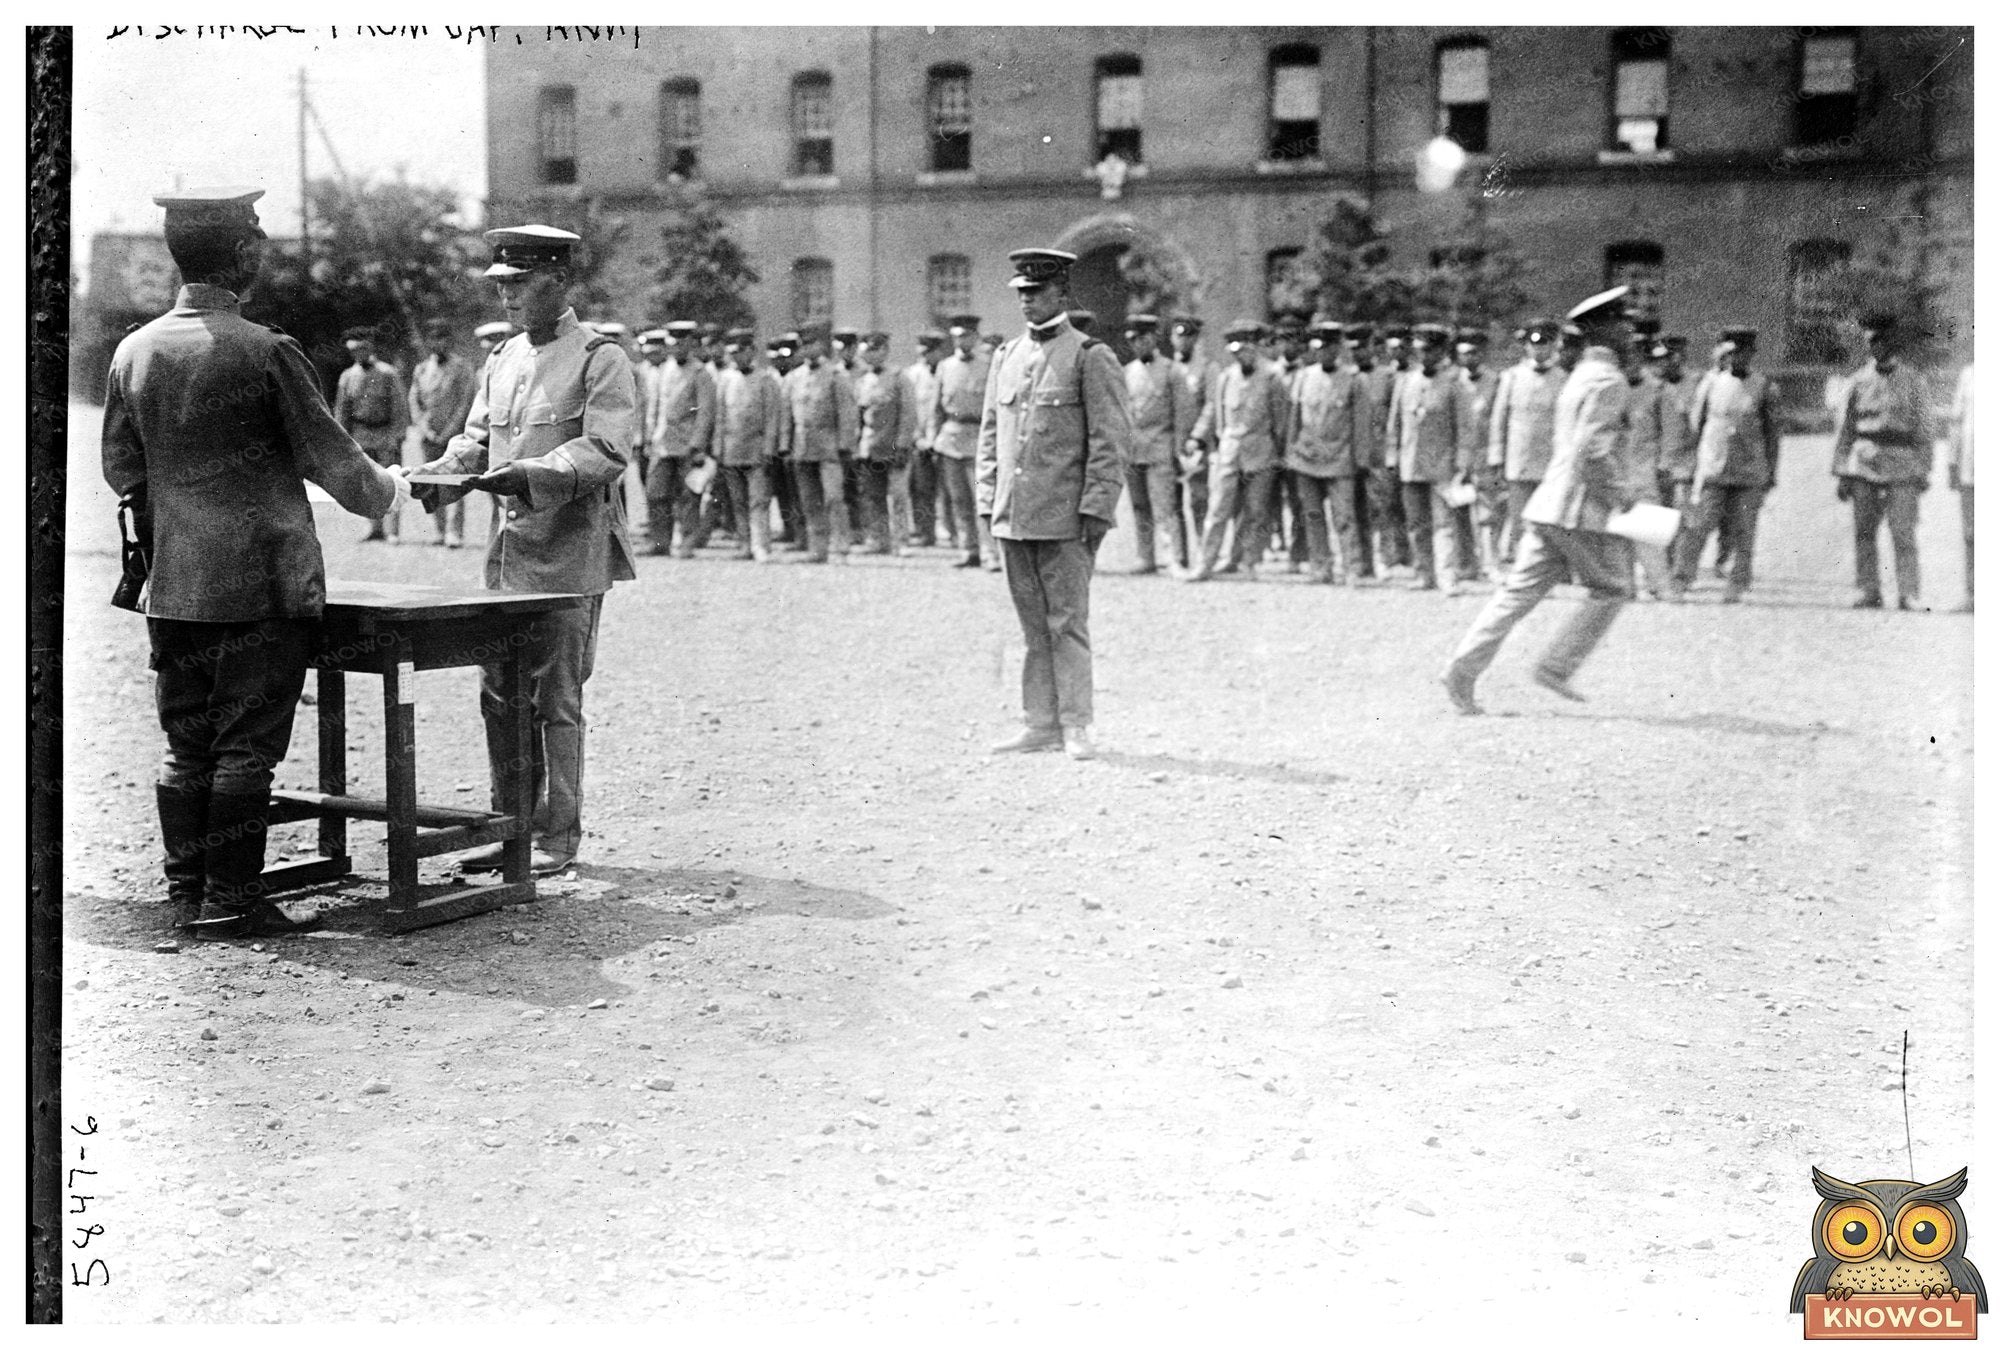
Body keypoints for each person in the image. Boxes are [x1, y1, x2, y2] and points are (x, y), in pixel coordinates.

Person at [102, 186, 408, 937]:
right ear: (243, 254)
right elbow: (347, 477)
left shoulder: (133, 350)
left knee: (186, 746)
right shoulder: (267, 350)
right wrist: (394, 486)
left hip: (173, 586)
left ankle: (187, 893)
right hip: (261, 589)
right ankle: (232, 901)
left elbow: (121, 468)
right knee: (246, 749)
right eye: (260, 245)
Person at [410, 224, 637, 875]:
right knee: (500, 697)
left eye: (519, 283)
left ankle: (557, 837)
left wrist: (534, 475)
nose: (505, 297)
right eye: (500, 285)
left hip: (568, 561)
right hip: (505, 565)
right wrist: (437, 478)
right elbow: (476, 441)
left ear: (559, 281)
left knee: (556, 701)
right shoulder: (503, 359)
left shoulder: (600, 359)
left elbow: (607, 449)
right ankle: (508, 826)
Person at [1439, 286, 1638, 713]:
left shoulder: (1579, 377)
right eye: (1624, 324)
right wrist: (1621, 496)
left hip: (1547, 504)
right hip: (1577, 511)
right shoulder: (1608, 380)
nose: (1629, 333)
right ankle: (1556, 667)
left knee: (1516, 595)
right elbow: (1594, 450)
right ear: (1604, 331)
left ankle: (1462, 669)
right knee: (1614, 589)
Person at [977, 246, 1131, 760]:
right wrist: (987, 501)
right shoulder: (1006, 357)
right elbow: (990, 437)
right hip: (1013, 517)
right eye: (1021, 293)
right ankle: (1038, 722)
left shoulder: (1090, 356)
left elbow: (1110, 442)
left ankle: (1076, 723)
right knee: (1030, 626)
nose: (1027, 302)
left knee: (1067, 623)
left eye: (1037, 292)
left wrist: (1096, 509)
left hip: (1066, 518)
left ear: (1062, 293)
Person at [1670, 327, 1781, 603]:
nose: (1736, 359)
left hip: (1749, 472)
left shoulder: (1764, 386)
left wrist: (1770, 472)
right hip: (1713, 469)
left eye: (1743, 353)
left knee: (1743, 530)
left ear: (1751, 355)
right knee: (1698, 525)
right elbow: (1697, 424)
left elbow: (1772, 435)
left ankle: (1737, 583)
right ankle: (1681, 579)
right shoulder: (1710, 383)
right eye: (1731, 353)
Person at [1831, 313, 1934, 610]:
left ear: (1894, 342)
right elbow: (1844, 429)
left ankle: (1908, 593)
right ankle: (1869, 590)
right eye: (1872, 341)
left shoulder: (1914, 381)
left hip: (1902, 465)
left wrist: (1923, 469)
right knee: (1864, 532)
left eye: (1882, 340)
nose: (1877, 346)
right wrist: (1841, 471)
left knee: (1903, 531)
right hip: (1864, 464)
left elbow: (1925, 429)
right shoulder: (1857, 382)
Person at [1186, 321, 1288, 582]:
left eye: (1245, 350)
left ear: (1255, 348)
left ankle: (1246, 561)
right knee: (1218, 509)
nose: (1240, 356)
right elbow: (1220, 421)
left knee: (1255, 511)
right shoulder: (1226, 377)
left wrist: (1277, 453)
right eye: (1235, 352)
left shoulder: (1272, 377)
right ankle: (1205, 563)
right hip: (1230, 453)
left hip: (1261, 452)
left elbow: (1280, 422)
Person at [1385, 324, 1478, 593]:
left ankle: (1447, 576)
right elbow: (1395, 424)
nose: (1422, 356)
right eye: (1418, 350)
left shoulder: (1454, 384)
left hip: (1442, 465)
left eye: (1427, 350)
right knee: (1416, 523)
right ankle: (1424, 574)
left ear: (1440, 351)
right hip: (1410, 463)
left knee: (1444, 524)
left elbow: (1465, 429)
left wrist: (1461, 465)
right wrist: (1393, 458)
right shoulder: (1406, 381)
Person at [1287, 319, 1368, 583]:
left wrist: (1361, 459)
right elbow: (1294, 419)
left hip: (1340, 459)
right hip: (1306, 458)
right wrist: (1291, 453)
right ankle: (1320, 566)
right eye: (1319, 348)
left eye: (1329, 348)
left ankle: (1352, 568)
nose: (1324, 353)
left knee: (1344, 517)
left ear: (1338, 349)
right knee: (1311, 516)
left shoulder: (1353, 380)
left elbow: (1360, 424)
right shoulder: (1303, 377)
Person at [1121, 314, 1197, 575]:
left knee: (1166, 506)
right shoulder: (1127, 372)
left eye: (1142, 339)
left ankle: (1175, 557)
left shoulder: (1171, 370)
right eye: (1132, 340)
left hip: (1162, 448)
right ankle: (1146, 556)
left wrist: (1179, 449)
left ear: (1153, 338)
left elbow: (1183, 414)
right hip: (1134, 450)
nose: (1137, 345)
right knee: (1140, 506)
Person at [1488, 317, 1565, 570]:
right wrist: (1497, 456)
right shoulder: (1512, 377)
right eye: (1535, 344)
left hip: (1550, 460)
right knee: (1518, 516)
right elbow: (1499, 419)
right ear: (1526, 346)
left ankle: (1552, 569)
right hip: (1519, 459)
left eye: (1545, 344)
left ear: (1554, 346)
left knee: (1550, 517)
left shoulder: (1563, 378)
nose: (1539, 350)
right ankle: (1520, 567)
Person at [780, 322, 860, 563]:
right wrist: (785, 445)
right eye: (803, 345)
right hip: (802, 448)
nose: (807, 349)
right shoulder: (794, 377)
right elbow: (787, 415)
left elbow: (847, 414)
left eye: (811, 343)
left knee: (834, 498)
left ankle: (841, 546)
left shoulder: (836, 375)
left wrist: (845, 445)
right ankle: (818, 548)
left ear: (822, 345)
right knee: (809, 501)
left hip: (829, 448)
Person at [644, 319, 717, 558]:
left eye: (682, 343)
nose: (677, 349)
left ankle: (687, 542)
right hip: (662, 443)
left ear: (690, 344)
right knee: (656, 494)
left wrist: (698, 445)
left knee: (688, 496)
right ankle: (659, 543)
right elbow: (655, 406)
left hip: (687, 444)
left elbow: (705, 413)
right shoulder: (664, 370)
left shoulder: (700, 373)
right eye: (673, 344)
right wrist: (649, 436)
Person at [713, 328, 785, 561]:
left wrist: (769, 449)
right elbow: (720, 416)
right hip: (732, 448)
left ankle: (760, 544)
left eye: (742, 352)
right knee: (738, 501)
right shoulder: (725, 379)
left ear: (752, 351)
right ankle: (744, 543)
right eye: (733, 353)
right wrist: (718, 448)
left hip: (756, 448)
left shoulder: (766, 380)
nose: (737, 357)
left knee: (758, 500)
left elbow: (773, 417)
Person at [333, 327, 410, 542]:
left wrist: (397, 436)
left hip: (385, 433)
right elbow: (342, 411)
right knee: (367, 483)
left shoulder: (388, 373)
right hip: (360, 434)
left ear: (371, 347)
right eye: (355, 350)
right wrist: (342, 441)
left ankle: (392, 531)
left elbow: (399, 408)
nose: (360, 353)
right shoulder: (348, 376)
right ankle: (375, 528)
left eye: (363, 348)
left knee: (392, 480)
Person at [408, 319, 479, 548]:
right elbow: (414, 401)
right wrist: (424, 428)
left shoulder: (462, 367)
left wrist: (449, 431)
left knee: (454, 481)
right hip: (428, 435)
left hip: (453, 435)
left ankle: (453, 532)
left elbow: (465, 403)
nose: (437, 343)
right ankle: (439, 530)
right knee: (430, 481)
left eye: (442, 337)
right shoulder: (421, 369)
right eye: (432, 338)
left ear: (449, 340)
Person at [934, 314, 993, 569]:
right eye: (957, 336)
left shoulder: (989, 365)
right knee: (958, 500)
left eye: (967, 335)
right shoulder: (945, 366)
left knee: (984, 498)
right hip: (951, 439)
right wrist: (932, 436)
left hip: (979, 439)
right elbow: (936, 407)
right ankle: (969, 550)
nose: (962, 340)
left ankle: (991, 553)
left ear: (976, 337)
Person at [854, 331, 918, 555]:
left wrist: (902, 444)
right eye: (865, 352)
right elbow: (859, 417)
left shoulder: (900, 377)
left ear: (884, 351)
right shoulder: (862, 380)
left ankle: (901, 541)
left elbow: (908, 414)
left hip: (893, 446)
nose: (869, 356)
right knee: (872, 496)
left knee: (898, 496)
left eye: (874, 350)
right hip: (870, 448)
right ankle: (878, 540)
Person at [1170, 316, 1218, 570]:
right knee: (1172, 503)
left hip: (1196, 445)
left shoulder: (1207, 368)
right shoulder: (1168, 367)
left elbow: (1211, 406)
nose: (1183, 341)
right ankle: (1178, 556)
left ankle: (1204, 553)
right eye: (1178, 336)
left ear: (1196, 339)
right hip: (1171, 444)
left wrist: (1197, 436)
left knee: (1199, 499)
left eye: (1188, 337)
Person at [1454, 330, 1499, 581]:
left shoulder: (1495, 381)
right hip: (1458, 456)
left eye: (1472, 352)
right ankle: (1465, 565)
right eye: (1462, 353)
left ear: (1482, 353)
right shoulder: (1452, 381)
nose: (1467, 358)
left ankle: (1491, 564)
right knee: (1458, 512)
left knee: (1488, 514)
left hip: (1484, 455)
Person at [905, 329, 948, 547]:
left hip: (946, 441)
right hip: (920, 441)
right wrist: (917, 438)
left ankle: (952, 532)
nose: (925, 357)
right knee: (921, 489)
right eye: (922, 352)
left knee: (950, 490)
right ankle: (924, 531)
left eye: (929, 352)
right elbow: (909, 412)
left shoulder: (949, 371)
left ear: (939, 351)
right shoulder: (912, 375)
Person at [1949, 361, 1974, 612]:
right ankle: (1974, 595)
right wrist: (1952, 462)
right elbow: (1956, 422)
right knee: (1972, 534)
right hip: (1972, 470)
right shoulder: (1968, 374)